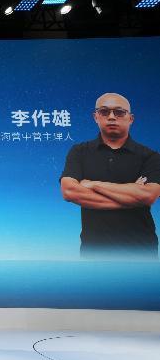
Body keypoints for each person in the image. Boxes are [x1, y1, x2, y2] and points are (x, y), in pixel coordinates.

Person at [60, 92, 160, 259]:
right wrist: (131, 195)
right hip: (94, 252)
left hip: (141, 251)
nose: (112, 117)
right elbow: (69, 191)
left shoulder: (150, 157)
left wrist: (94, 184)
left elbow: (148, 195)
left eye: (119, 112)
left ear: (131, 119)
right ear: (95, 117)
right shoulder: (79, 152)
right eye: (104, 111)